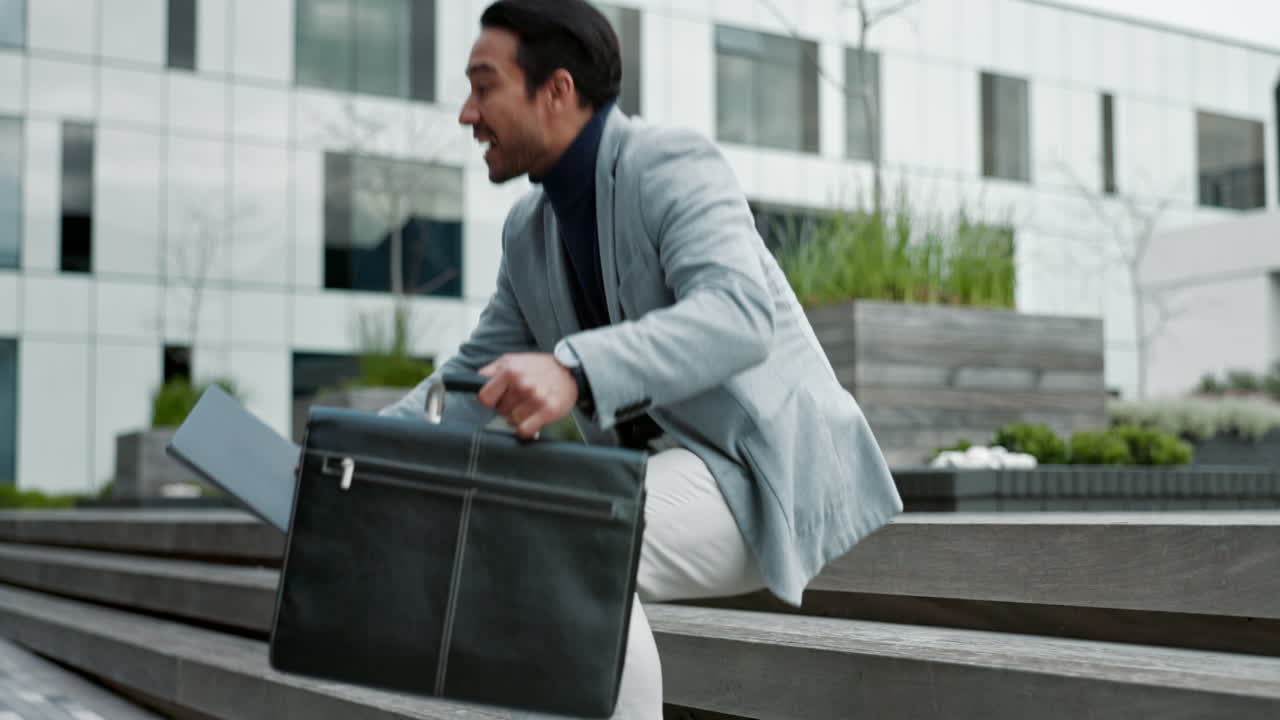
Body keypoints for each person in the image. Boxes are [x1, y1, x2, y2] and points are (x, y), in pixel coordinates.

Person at [380, 0, 903, 716]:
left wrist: (573, 370)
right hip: (657, 480)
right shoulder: (529, 232)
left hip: (762, 470)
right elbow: (473, 382)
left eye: (484, 87)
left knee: (572, 539)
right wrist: (357, 448)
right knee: (539, 538)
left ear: (557, 90)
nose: (467, 114)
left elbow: (740, 315)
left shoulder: (670, 163)